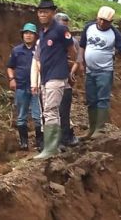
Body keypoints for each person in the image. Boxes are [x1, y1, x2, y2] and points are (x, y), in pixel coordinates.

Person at [77, 6, 121, 139]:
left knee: (102, 98)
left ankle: (100, 129)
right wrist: (79, 61)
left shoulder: (114, 33)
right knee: (91, 99)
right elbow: (82, 46)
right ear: (97, 17)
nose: (102, 23)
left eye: (106, 21)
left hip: (105, 70)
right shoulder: (89, 28)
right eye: (100, 20)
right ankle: (91, 129)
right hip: (90, 71)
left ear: (111, 21)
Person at [30, 0, 76, 159]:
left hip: (57, 75)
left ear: (53, 12)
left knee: (50, 110)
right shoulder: (43, 32)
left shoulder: (60, 30)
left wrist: (72, 68)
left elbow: (72, 50)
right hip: (46, 76)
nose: (42, 14)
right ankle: (53, 146)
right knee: (51, 111)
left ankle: (50, 148)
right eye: (40, 12)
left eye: (46, 11)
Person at [7, 23, 43, 151]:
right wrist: (12, 79)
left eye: (31, 33)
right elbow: (10, 67)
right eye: (26, 33)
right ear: (22, 35)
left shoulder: (40, 50)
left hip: (36, 87)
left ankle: (40, 142)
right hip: (21, 86)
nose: (28, 35)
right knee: (21, 116)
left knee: (38, 116)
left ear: (35, 36)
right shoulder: (16, 50)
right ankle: (24, 142)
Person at [54, 13, 81, 147]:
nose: (64, 29)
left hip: (66, 79)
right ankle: (55, 139)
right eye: (61, 25)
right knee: (52, 111)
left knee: (64, 110)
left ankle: (66, 136)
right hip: (51, 78)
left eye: (66, 25)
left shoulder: (72, 41)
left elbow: (78, 59)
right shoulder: (49, 38)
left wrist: (73, 71)